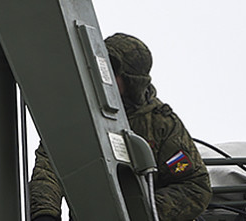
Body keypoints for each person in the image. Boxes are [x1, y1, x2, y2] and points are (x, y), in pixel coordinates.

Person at [29, 32, 211, 221]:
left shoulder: (160, 124)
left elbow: (195, 186)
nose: (104, 76)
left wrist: (139, 210)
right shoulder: (79, 115)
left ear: (132, 81)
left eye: (113, 72)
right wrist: (45, 213)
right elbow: (50, 165)